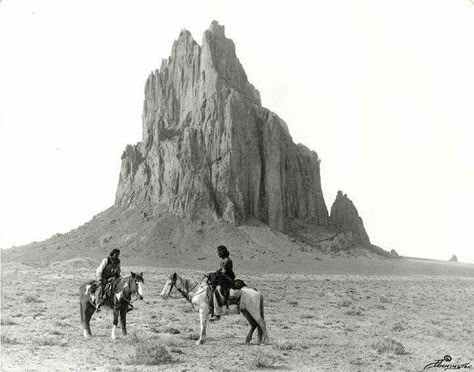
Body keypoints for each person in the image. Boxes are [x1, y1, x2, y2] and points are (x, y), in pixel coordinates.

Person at [209, 245, 235, 322]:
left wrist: (215, 274)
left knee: (217, 290)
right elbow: (220, 270)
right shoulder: (223, 260)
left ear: (222, 252)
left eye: (218, 252)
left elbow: (224, 272)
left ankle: (217, 314)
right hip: (223, 278)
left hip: (227, 280)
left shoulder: (227, 261)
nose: (217, 254)